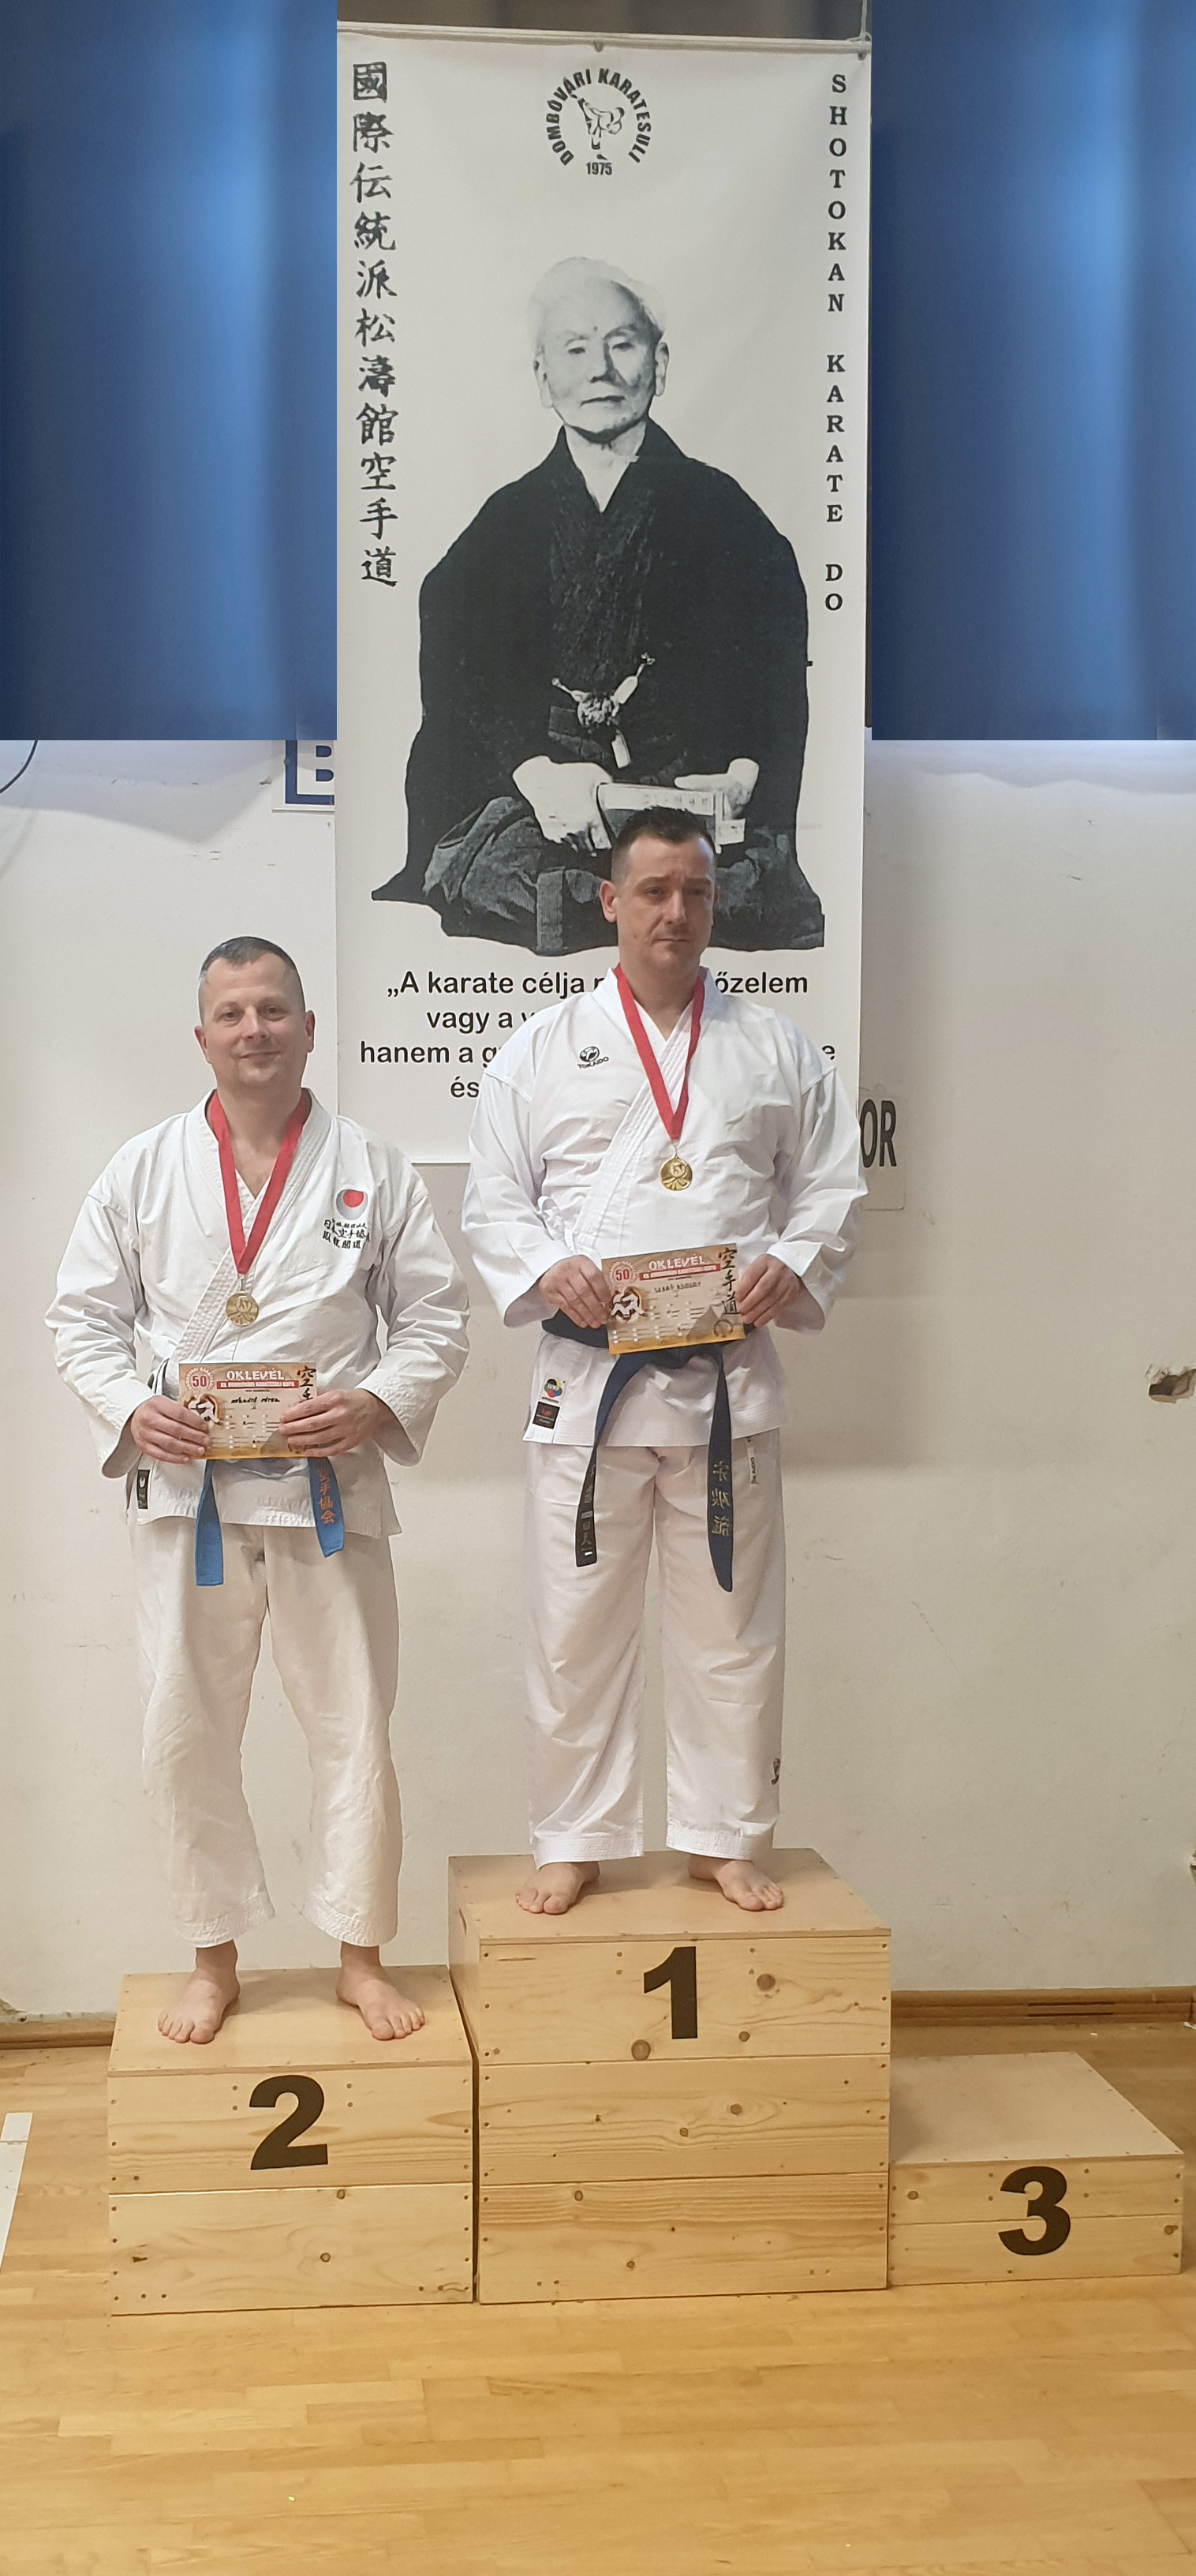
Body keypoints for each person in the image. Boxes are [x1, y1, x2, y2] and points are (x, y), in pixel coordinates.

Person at [48, 938, 469, 2042]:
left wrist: (375, 1400)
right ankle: (212, 1958)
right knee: (183, 1729)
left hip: (327, 1485)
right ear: (202, 1037)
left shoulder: (372, 1166)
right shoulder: (142, 1168)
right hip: (186, 1492)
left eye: (273, 1010)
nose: (254, 1030)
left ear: (309, 1028)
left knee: (353, 1725)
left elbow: (435, 1316)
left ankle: (360, 1958)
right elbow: (80, 1320)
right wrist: (129, 1410)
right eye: (232, 1014)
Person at [462, 808, 863, 1915]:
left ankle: (723, 1835)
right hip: (588, 1384)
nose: (675, 912)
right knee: (572, 1628)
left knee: (731, 1628)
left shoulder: (774, 1047)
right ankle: (571, 1836)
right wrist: (549, 1266)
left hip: (727, 1385)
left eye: (694, 891)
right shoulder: (539, 1049)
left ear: (715, 901)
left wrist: (791, 1262)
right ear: (609, 901)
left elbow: (831, 1187)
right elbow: (493, 1199)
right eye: (652, 890)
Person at [373, 256, 823, 956]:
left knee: (739, 886)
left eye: (622, 344)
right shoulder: (505, 524)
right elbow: (463, 673)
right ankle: (624, 901)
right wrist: (536, 775)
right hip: (551, 799)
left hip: (682, 791)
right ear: (542, 377)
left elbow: (772, 671)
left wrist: (740, 777)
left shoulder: (727, 516)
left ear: (659, 364)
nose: (601, 371)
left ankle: (628, 899)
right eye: (576, 350)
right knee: (494, 874)